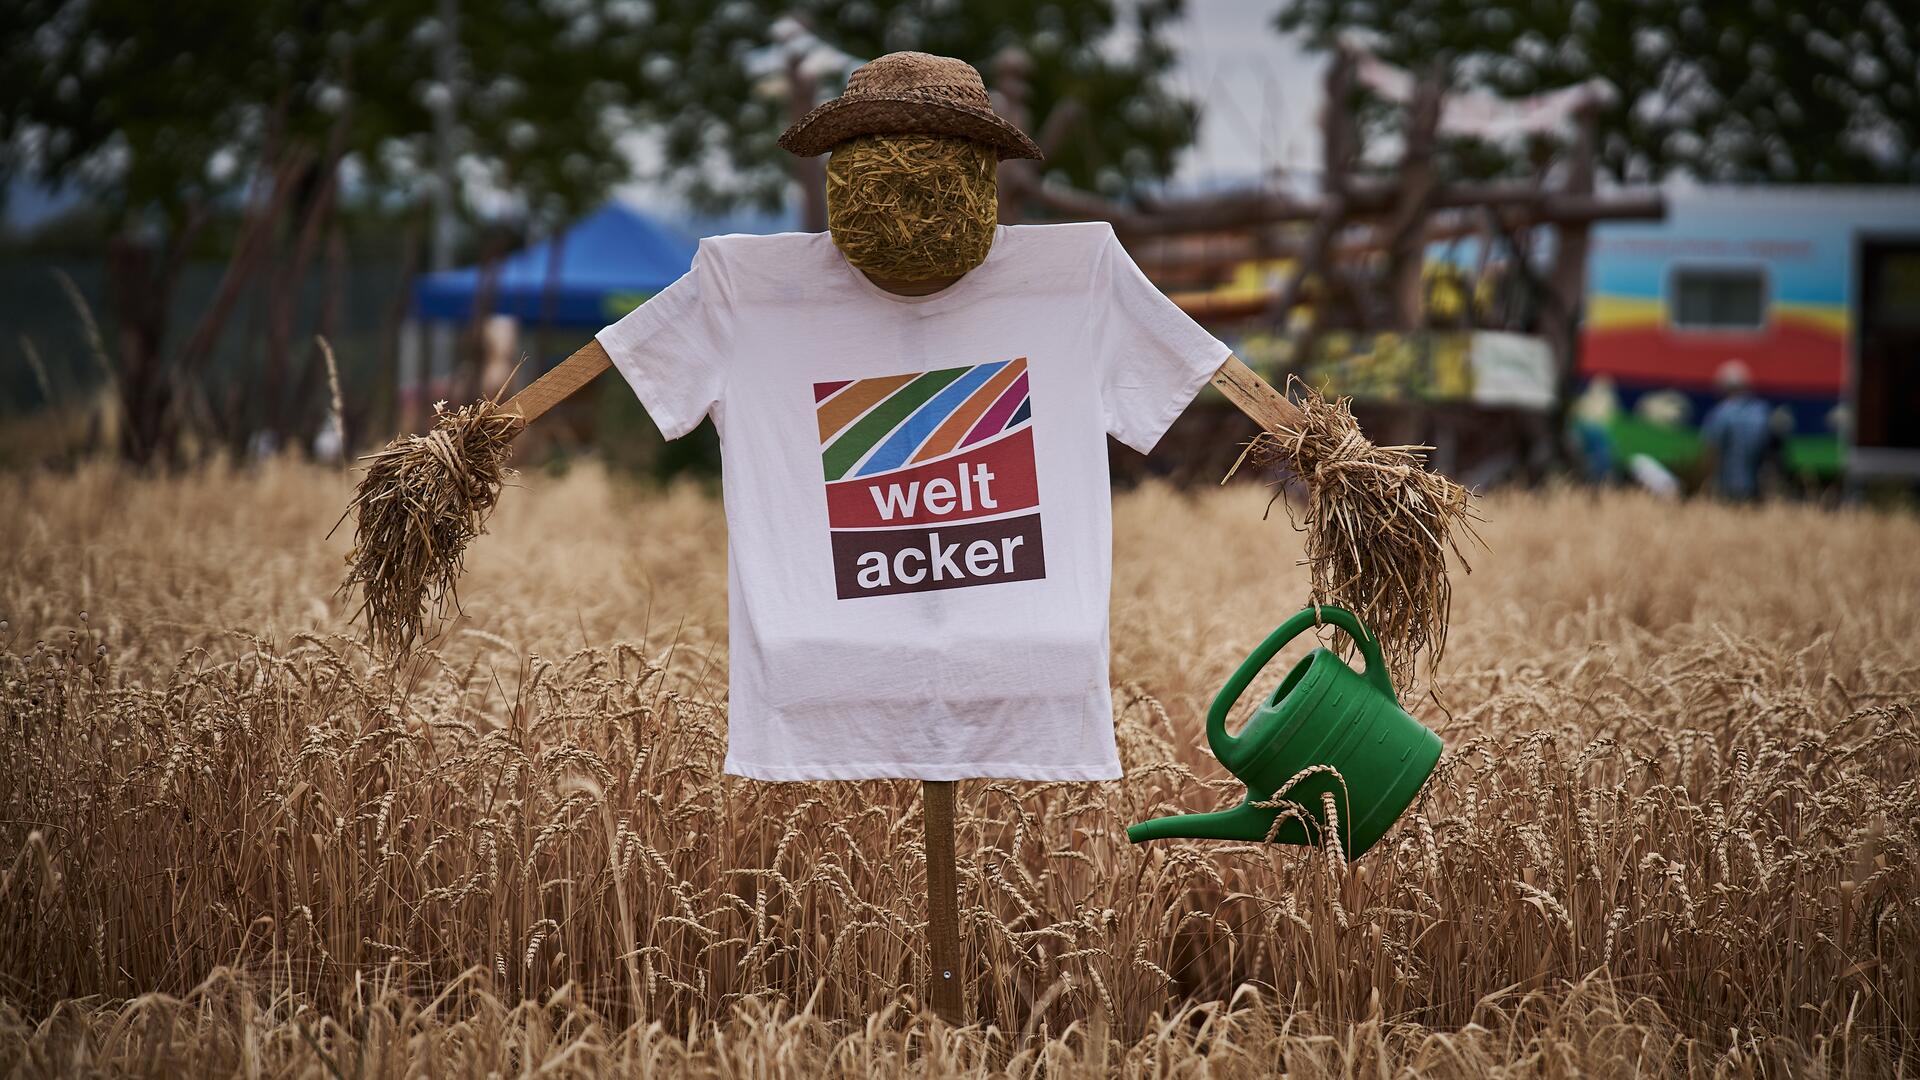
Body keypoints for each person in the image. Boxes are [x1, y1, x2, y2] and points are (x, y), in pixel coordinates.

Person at [1698, 360, 1772, 501]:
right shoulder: (1762, 411)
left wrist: (1706, 481)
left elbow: (1711, 450)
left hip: (1727, 486)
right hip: (1759, 487)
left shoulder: (1721, 414)